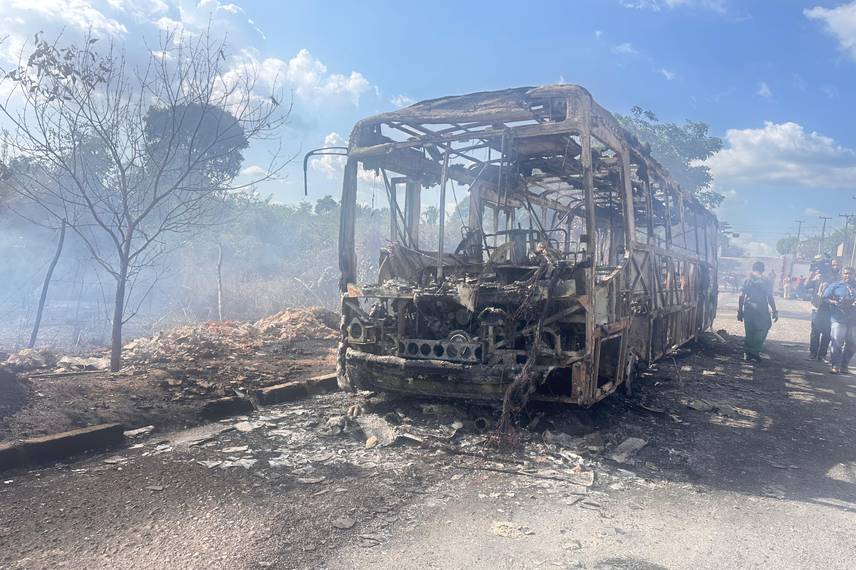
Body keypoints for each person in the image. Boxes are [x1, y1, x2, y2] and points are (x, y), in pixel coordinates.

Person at [737, 261, 779, 362]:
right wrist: (774, 310)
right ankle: (754, 352)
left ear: (753, 268)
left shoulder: (747, 280)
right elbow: (769, 297)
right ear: (763, 269)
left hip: (749, 308)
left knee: (749, 331)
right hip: (761, 309)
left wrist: (740, 310)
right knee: (763, 328)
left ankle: (747, 353)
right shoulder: (766, 280)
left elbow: (741, 296)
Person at [823, 267, 856, 374]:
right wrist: (835, 302)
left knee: (852, 344)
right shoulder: (835, 285)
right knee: (837, 342)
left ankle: (844, 364)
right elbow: (825, 298)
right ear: (842, 274)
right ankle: (835, 365)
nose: (848, 275)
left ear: (854, 274)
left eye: (850, 274)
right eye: (846, 273)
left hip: (853, 319)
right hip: (838, 318)